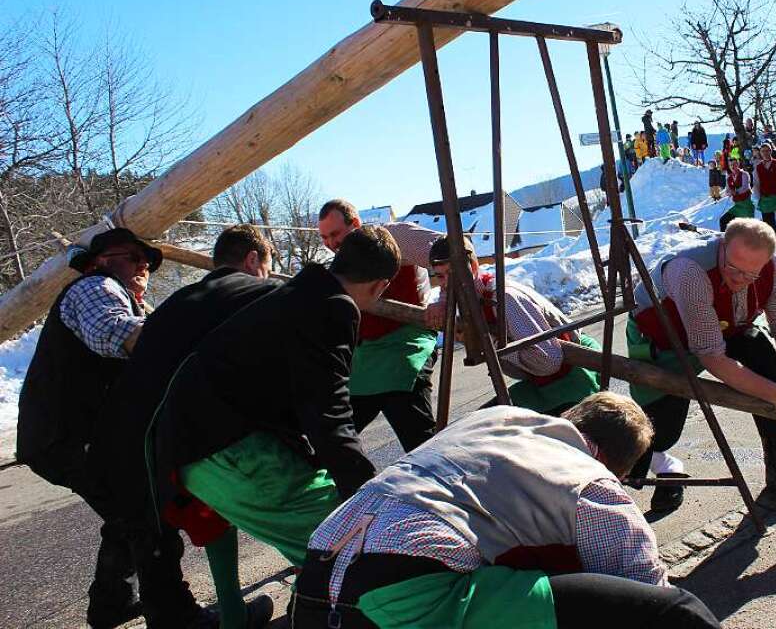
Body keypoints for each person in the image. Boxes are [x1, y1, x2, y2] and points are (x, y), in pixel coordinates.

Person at [291, 394, 721, 629]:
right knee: (672, 613)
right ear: (617, 466)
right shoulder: (592, 482)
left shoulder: (495, 420)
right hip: (404, 596)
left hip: (313, 583)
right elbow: (644, 592)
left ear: (570, 418)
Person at [154, 227, 395, 570]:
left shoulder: (299, 294)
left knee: (333, 538)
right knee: (357, 542)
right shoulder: (334, 307)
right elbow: (328, 411)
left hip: (198, 446)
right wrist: (368, 493)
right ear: (380, 286)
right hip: (229, 451)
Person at [85, 225, 280, 629]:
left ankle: (228, 616)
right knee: (311, 510)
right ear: (252, 261)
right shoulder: (254, 295)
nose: (142, 268)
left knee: (192, 520)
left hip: (155, 442)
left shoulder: (177, 303)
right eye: (268, 266)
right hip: (175, 443)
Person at [15, 227, 185, 629]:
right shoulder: (96, 288)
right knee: (147, 515)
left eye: (147, 263)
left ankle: (112, 603)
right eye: (133, 258)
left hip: (73, 436)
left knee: (125, 515)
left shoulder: (122, 297)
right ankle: (176, 617)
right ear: (100, 261)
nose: (143, 267)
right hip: (69, 436)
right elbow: (117, 334)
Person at [624, 219, 776, 513]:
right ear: (722, 246)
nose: (740, 280)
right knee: (659, 432)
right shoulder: (689, 270)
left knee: (763, 358)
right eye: (734, 269)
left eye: (752, 274)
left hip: (726, 328)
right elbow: (712, 357)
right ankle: (664, 469)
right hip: (666, 340)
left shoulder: (773, 269)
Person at [424, 236, 601, 416]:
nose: (446, 282)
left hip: (572, 378)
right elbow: (523, 370)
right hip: (542, 384)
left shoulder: (504, 300)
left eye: (453, 274)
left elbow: (549, 362)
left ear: (474, 268)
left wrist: (490, 343)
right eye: (440, 276)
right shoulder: (470, 298)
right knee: (478, 423)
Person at [318, 200, 440, 453]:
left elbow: (453, 251)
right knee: (333, 435)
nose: (331, 244)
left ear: (357, 224)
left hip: (406, 344)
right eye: (324, 238)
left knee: (419, 440)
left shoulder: (393, 236)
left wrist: (445, 300)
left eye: (335, 234)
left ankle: (443, 475)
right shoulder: (339, 265)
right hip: (368, 356)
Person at [752, 143, 776, 253]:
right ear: (760, 153)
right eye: (763, 151)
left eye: (767, 150)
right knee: (769, 225)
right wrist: (758, 198)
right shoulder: (758, 168)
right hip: (766, 199)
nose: (765, 153)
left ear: (771, 151)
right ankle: (774, 245)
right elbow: (756, 184)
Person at [719, 156, 754, 232]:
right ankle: (725, 240)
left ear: (738, 164)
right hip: (737, 206)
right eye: (731, 165)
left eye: (734, 164)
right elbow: (727, 191)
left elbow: (745, 187)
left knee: (747, 228)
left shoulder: (744, 174)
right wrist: (730, 192)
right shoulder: (729, 177)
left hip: (746, 205)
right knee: (723, 220)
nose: (733, 166)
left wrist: (735, 192)